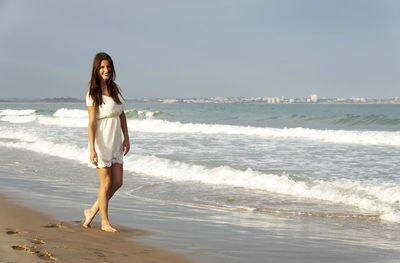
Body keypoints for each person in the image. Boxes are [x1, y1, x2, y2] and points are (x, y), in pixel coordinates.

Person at [83, 52, 130, 232]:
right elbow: (92, 122)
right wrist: (92, 149)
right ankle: (104, 222)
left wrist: (126, 137)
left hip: (116, 140)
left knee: (117, 182)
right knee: (106, 182)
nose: (106, 70)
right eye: (102, 67)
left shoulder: (115, 88)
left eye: (108, 66)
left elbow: (122, 114)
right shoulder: (92, 93)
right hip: (101, 140)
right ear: (96, 69)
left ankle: (92, 210)